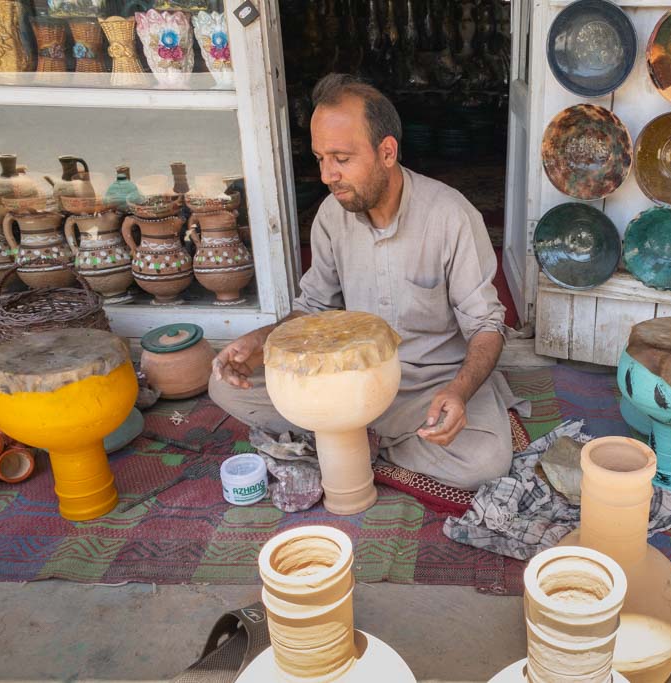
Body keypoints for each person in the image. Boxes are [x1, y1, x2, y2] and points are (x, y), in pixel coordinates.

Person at [208, 74, 527, 490]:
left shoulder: (452, 216)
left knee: (485, 461)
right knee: (224, 386)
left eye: (341, 158)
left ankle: (344, 443)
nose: (327, 175)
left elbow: (487, 325)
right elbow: (314, 310)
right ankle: (364, 441)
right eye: (321, 158)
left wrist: (460, 392)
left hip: (428, 387)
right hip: (348, 379)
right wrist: (261, 342)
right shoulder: (329, 215)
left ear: (387, 152)